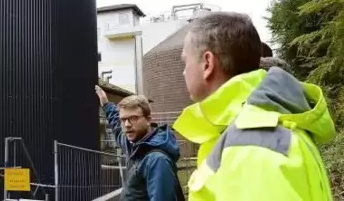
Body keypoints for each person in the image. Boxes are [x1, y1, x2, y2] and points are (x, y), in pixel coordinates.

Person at [173, 11, 335, 201]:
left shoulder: (248, 145)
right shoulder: (264, 125)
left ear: (207, 63)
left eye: (185, 61)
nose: (184, 72)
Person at [95, 85, 186, 200]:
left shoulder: (156, 160)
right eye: (123, 119)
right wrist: (106, 104)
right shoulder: (134, 145)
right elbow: (117, 128)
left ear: (148, 120)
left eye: (133, 118)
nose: (127, 124)